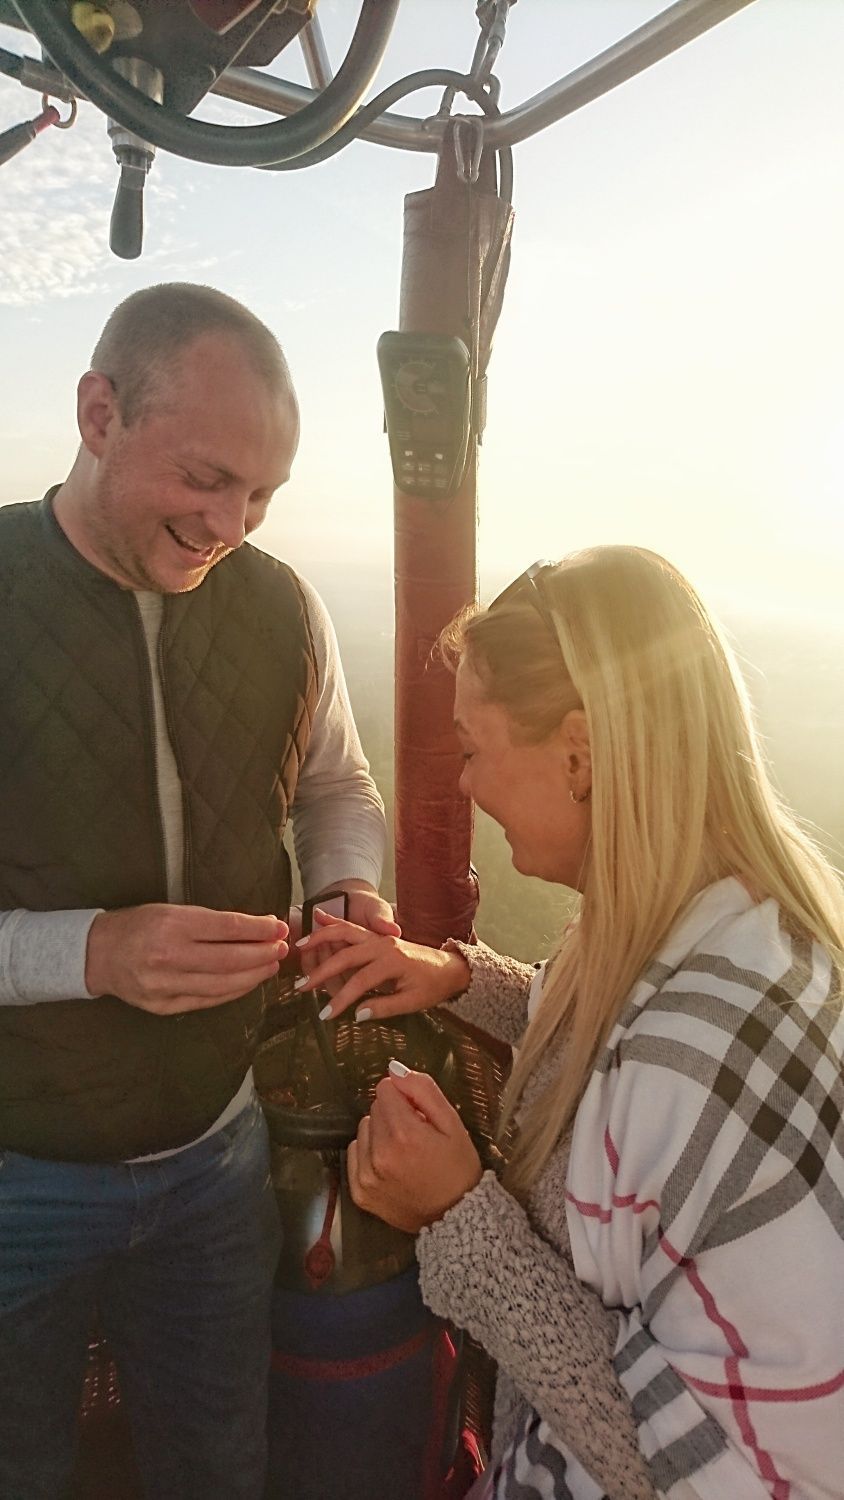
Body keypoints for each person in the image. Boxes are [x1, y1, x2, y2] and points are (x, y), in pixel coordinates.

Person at [299, 547, 844, 1500]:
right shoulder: (722, 928)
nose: (465, 783)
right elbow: (606, 1021)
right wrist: (459, 977)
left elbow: (689, 1469)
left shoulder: (701, 1056)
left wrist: (459, 1218)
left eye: (473, 749)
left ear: (579, 755)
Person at [0, 283, 398, 1500]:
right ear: (99, 414)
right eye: (206, 478)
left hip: (218, 1155)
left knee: (218, 1465)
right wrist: (92, 952)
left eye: (262, 494)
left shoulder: (281, 605)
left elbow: (335, 784)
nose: (230, 523)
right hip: (16, 1165)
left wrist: (346, 888)